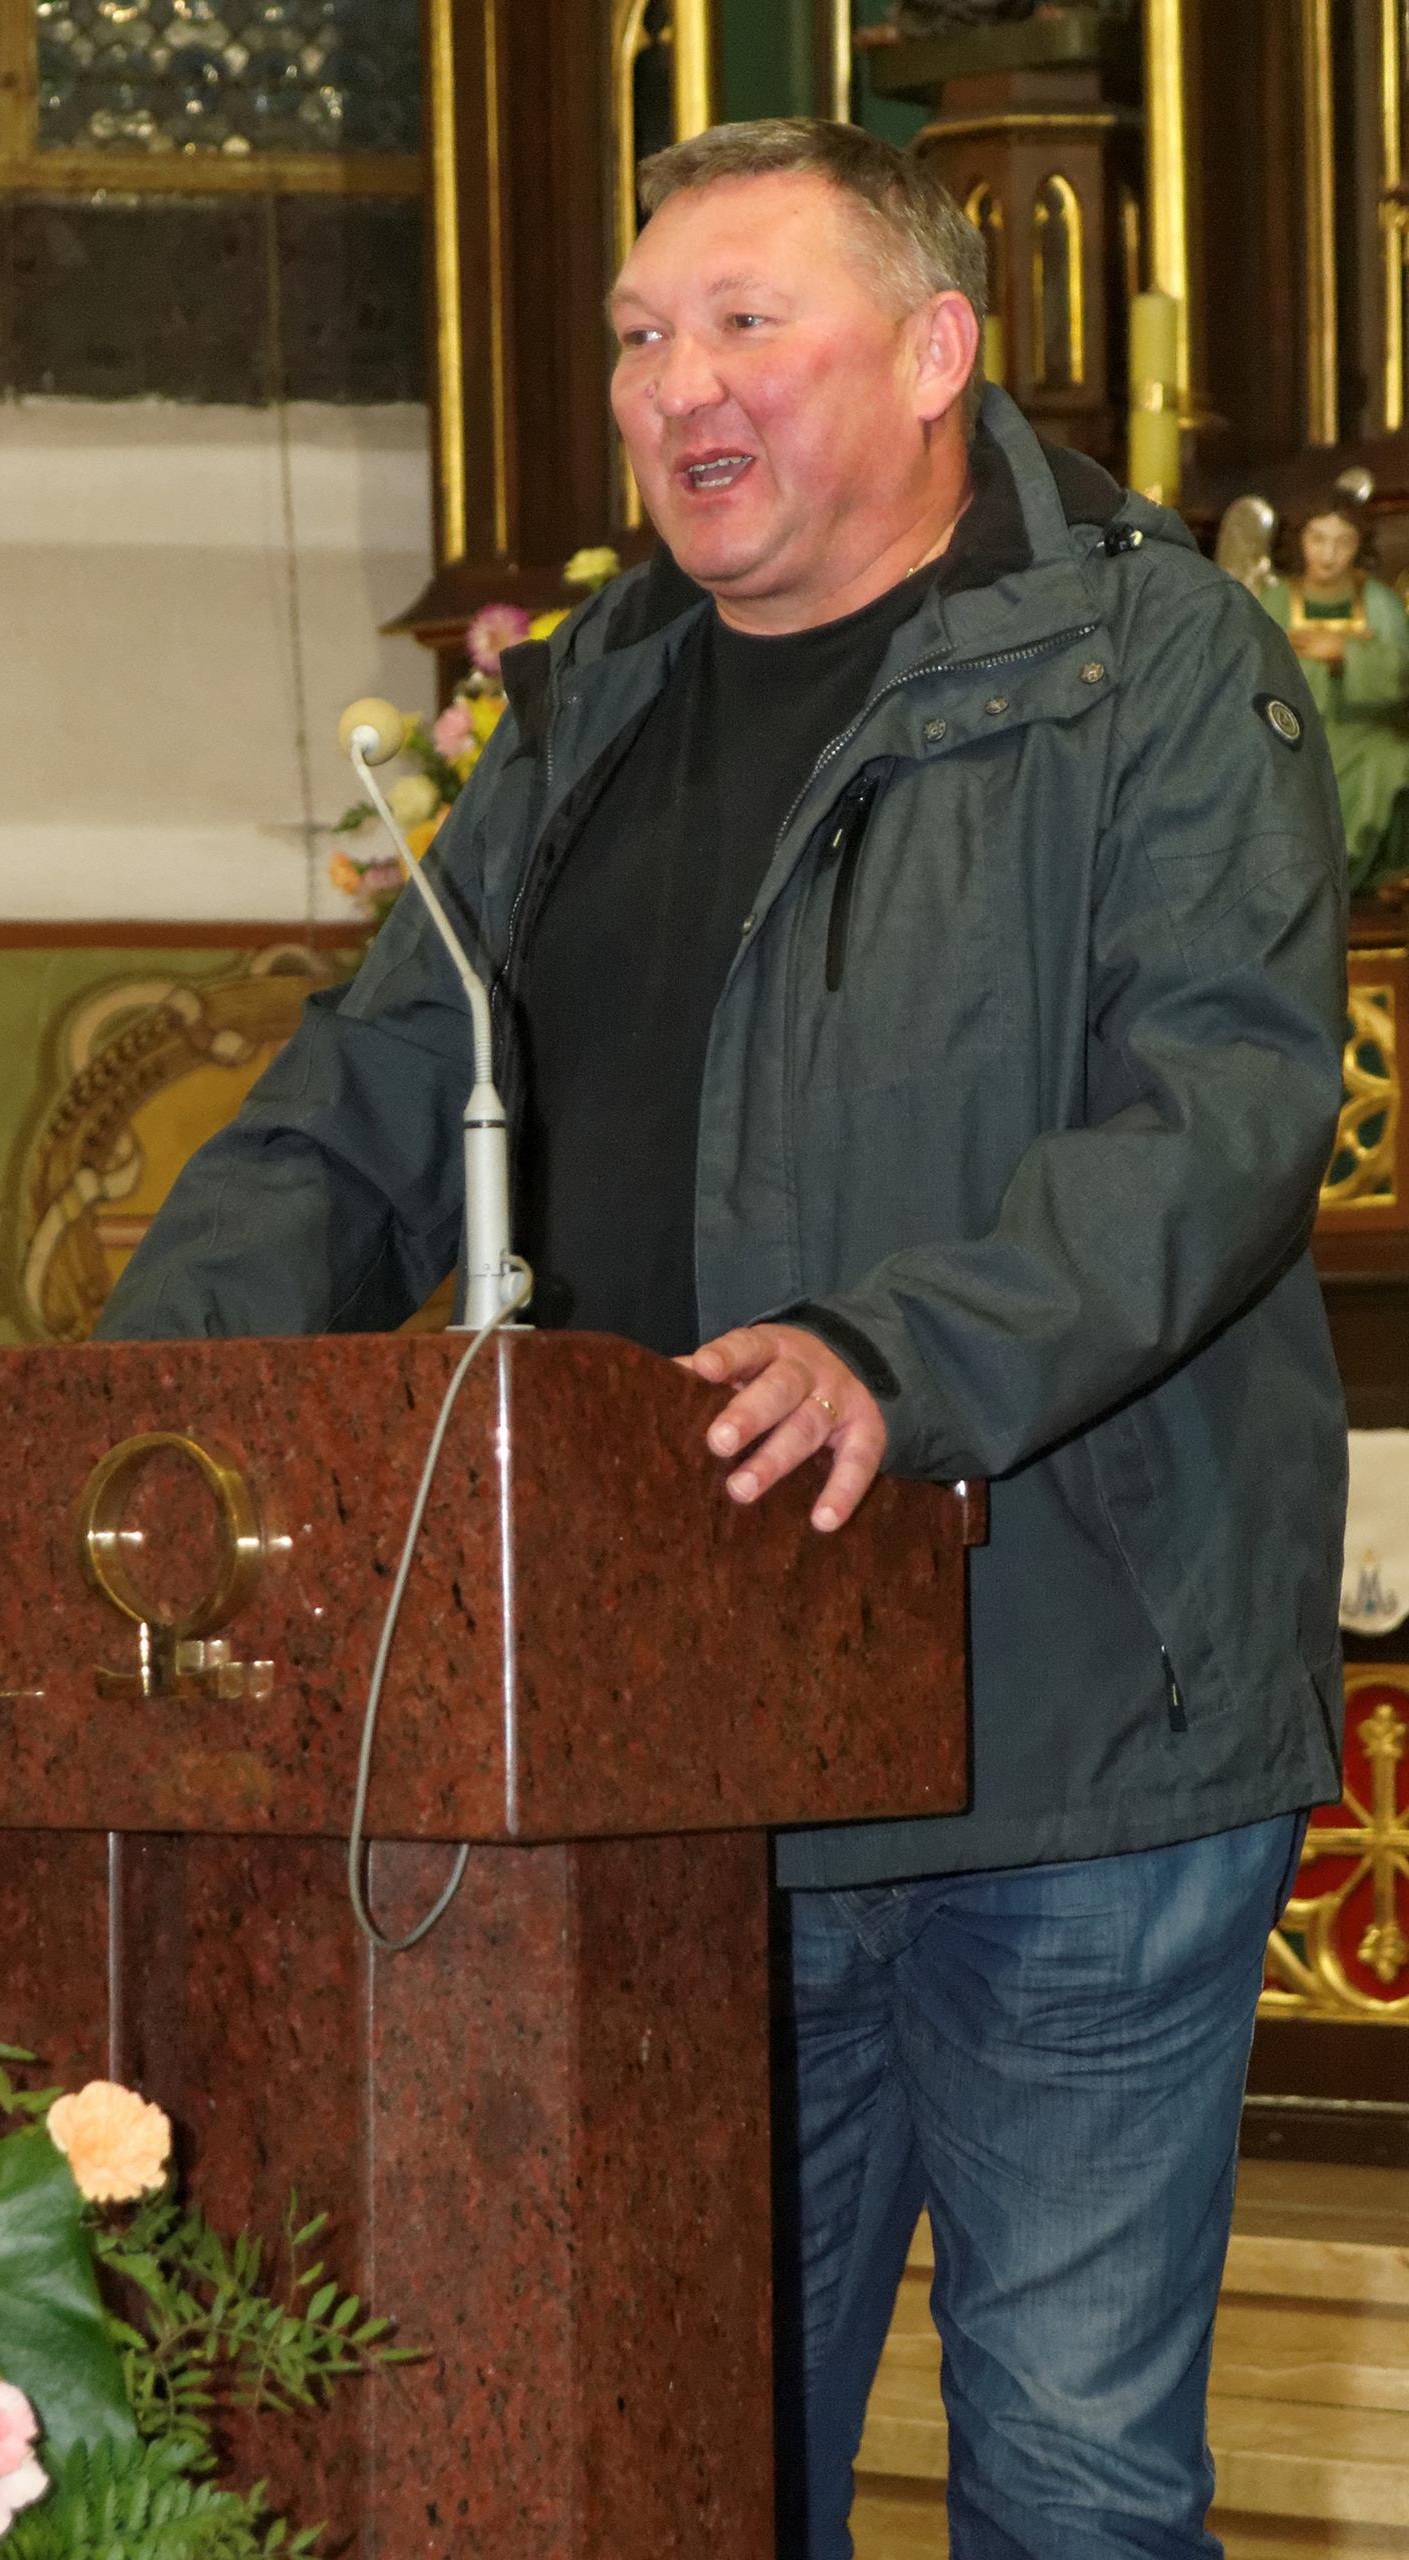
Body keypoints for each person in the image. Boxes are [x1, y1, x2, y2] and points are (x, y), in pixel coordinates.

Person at [98, 119, 1349, 2560]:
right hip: (682, 1742)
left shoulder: (1158, 659)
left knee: (1072, 2478)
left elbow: (1220, 1111)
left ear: (935, 350)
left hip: (1069, 1722)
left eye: (744, 322)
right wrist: (153, 1401)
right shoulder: (600, 694)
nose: (676, 384)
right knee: (684, 2452)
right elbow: (383, 1085)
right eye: (638, 336)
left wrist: (899, 1349)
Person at [1261, 491, 1409, 895]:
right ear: (1300, 541)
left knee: (1392, 761)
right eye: (1318, 539)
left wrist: (1345, 654)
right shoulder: (1276, 600)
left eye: (1342, 542)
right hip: (1292, 734)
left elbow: (1401, 674)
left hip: (1363, 734)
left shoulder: (1378, 602)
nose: (1328, 555)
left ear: (1359, 546)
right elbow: (1253, 672)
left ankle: (1371, 881)